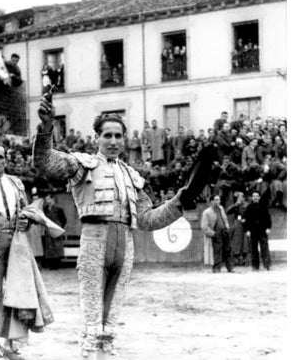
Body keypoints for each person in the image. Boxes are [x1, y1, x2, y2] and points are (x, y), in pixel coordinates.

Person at [33, 98, 190, 358]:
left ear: (125, 140)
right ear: (97, 138)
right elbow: (45, 163)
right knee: (93, 318)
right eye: (108, 135)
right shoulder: (81, 164)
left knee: (111, 320)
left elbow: (148, 219)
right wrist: (47, 127)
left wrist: (177, 203)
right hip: (95, 241)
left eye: (118, 135)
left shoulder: (131, 174)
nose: (114, 141)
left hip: (125, 245)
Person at [0, 143, 30, 358]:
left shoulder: (16, 183)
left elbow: (27, 212)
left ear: (6, 160)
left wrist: (25, 222)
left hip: (15, 244)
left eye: (0, 157)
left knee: (15, 292)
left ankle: (10, 341)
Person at [201, 194, 233, 273]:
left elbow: (225, 219)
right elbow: (204, 226)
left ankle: (230, 268)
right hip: (216, 232)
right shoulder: (207, 212)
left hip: (224, 231)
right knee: (217, 250)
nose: (218, 202)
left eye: (218, 200)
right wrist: (213, 233)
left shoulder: (221, 208)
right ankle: (216, 268)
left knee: (227, 249)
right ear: (211, 201)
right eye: (216, 200)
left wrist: (227, 227)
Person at [243, 191, 272, 270]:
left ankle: (267, 265)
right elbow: (246, 220)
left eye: (257, 196)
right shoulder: (249, 207)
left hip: (262, 230)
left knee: (264, 248)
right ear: (252, 198)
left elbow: (268, 218)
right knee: (254, 249)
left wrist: (268, 228)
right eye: (254, 196)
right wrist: (247, 230)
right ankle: (255, 266)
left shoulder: (264, 206)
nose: (255, 197)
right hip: (253, 231)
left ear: (259, 197)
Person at [40, 193, 67, 270]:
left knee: (57, 246)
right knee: (49, 247)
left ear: (52, 199)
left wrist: (60, 227)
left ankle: (56, 264)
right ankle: (51, 264)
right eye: (46, 199)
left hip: (56, 228)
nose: (47, 201)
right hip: (48, 229)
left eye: (48, 199)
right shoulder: (45, 209)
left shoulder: (58, 208)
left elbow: (64, 219)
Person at [226, 192, 248, 266]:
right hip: (238, 224)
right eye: (238, 197)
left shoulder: (247, 205)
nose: (239, 198)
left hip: (245, 225)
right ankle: (236, 259)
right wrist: (235, 205)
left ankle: (243, 259)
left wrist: (246, 219)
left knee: (244, 242)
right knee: (236, 242)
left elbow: (251, 214)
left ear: (244, 198)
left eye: (241, 197)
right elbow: (228, 211)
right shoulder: (236, 205)